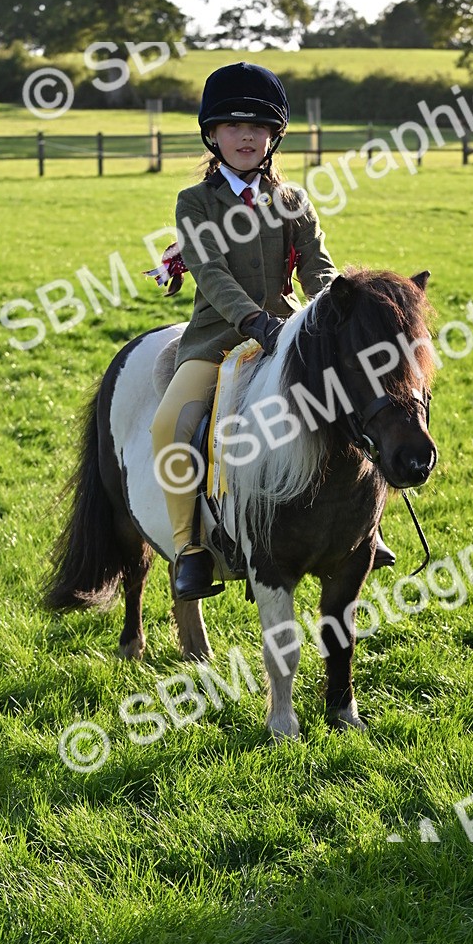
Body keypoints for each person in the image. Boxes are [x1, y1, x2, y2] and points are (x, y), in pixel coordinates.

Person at [150, 61, 394, 601]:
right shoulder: (196, 203)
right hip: (217, 341)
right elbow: (209, 272)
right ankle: (191, 548)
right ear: (212, 136)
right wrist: (252, 321)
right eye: (233, 127)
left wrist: (339, 307)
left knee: (356, 401)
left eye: (257, 128)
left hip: (288, 335)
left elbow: (317, 267)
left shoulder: (293, 201)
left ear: (272, 137)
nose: (245, 136)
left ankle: (367, 531)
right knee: (171, 425)